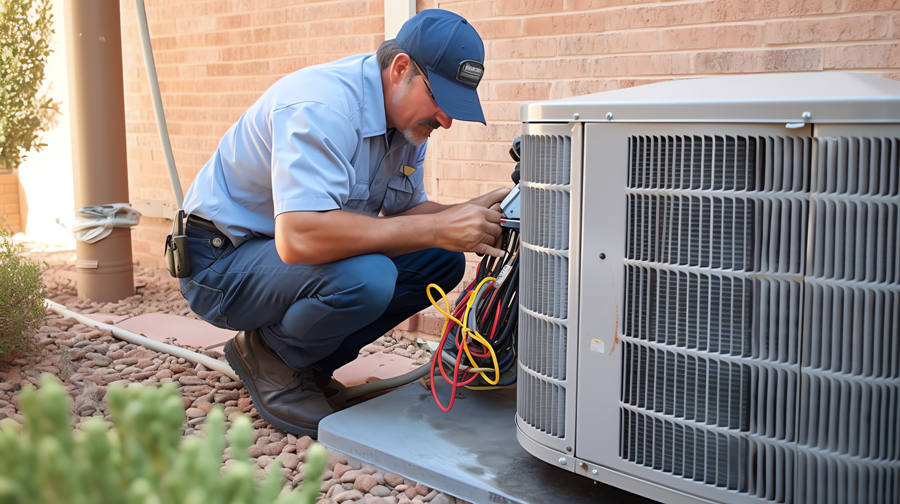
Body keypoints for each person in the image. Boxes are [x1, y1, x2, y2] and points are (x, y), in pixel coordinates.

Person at [176, 9, 510, 437]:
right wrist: (435, 228)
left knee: (440, 260)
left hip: (280, 260)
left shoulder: (407, 127)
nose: (446, 119)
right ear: (401, 68)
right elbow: (300, 238)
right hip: (220, 263)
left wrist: (469, 212)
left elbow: (405, 216)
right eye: (440, 100)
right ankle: (271, 357)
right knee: (368, 277)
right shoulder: (322, 106)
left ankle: (310, 363)